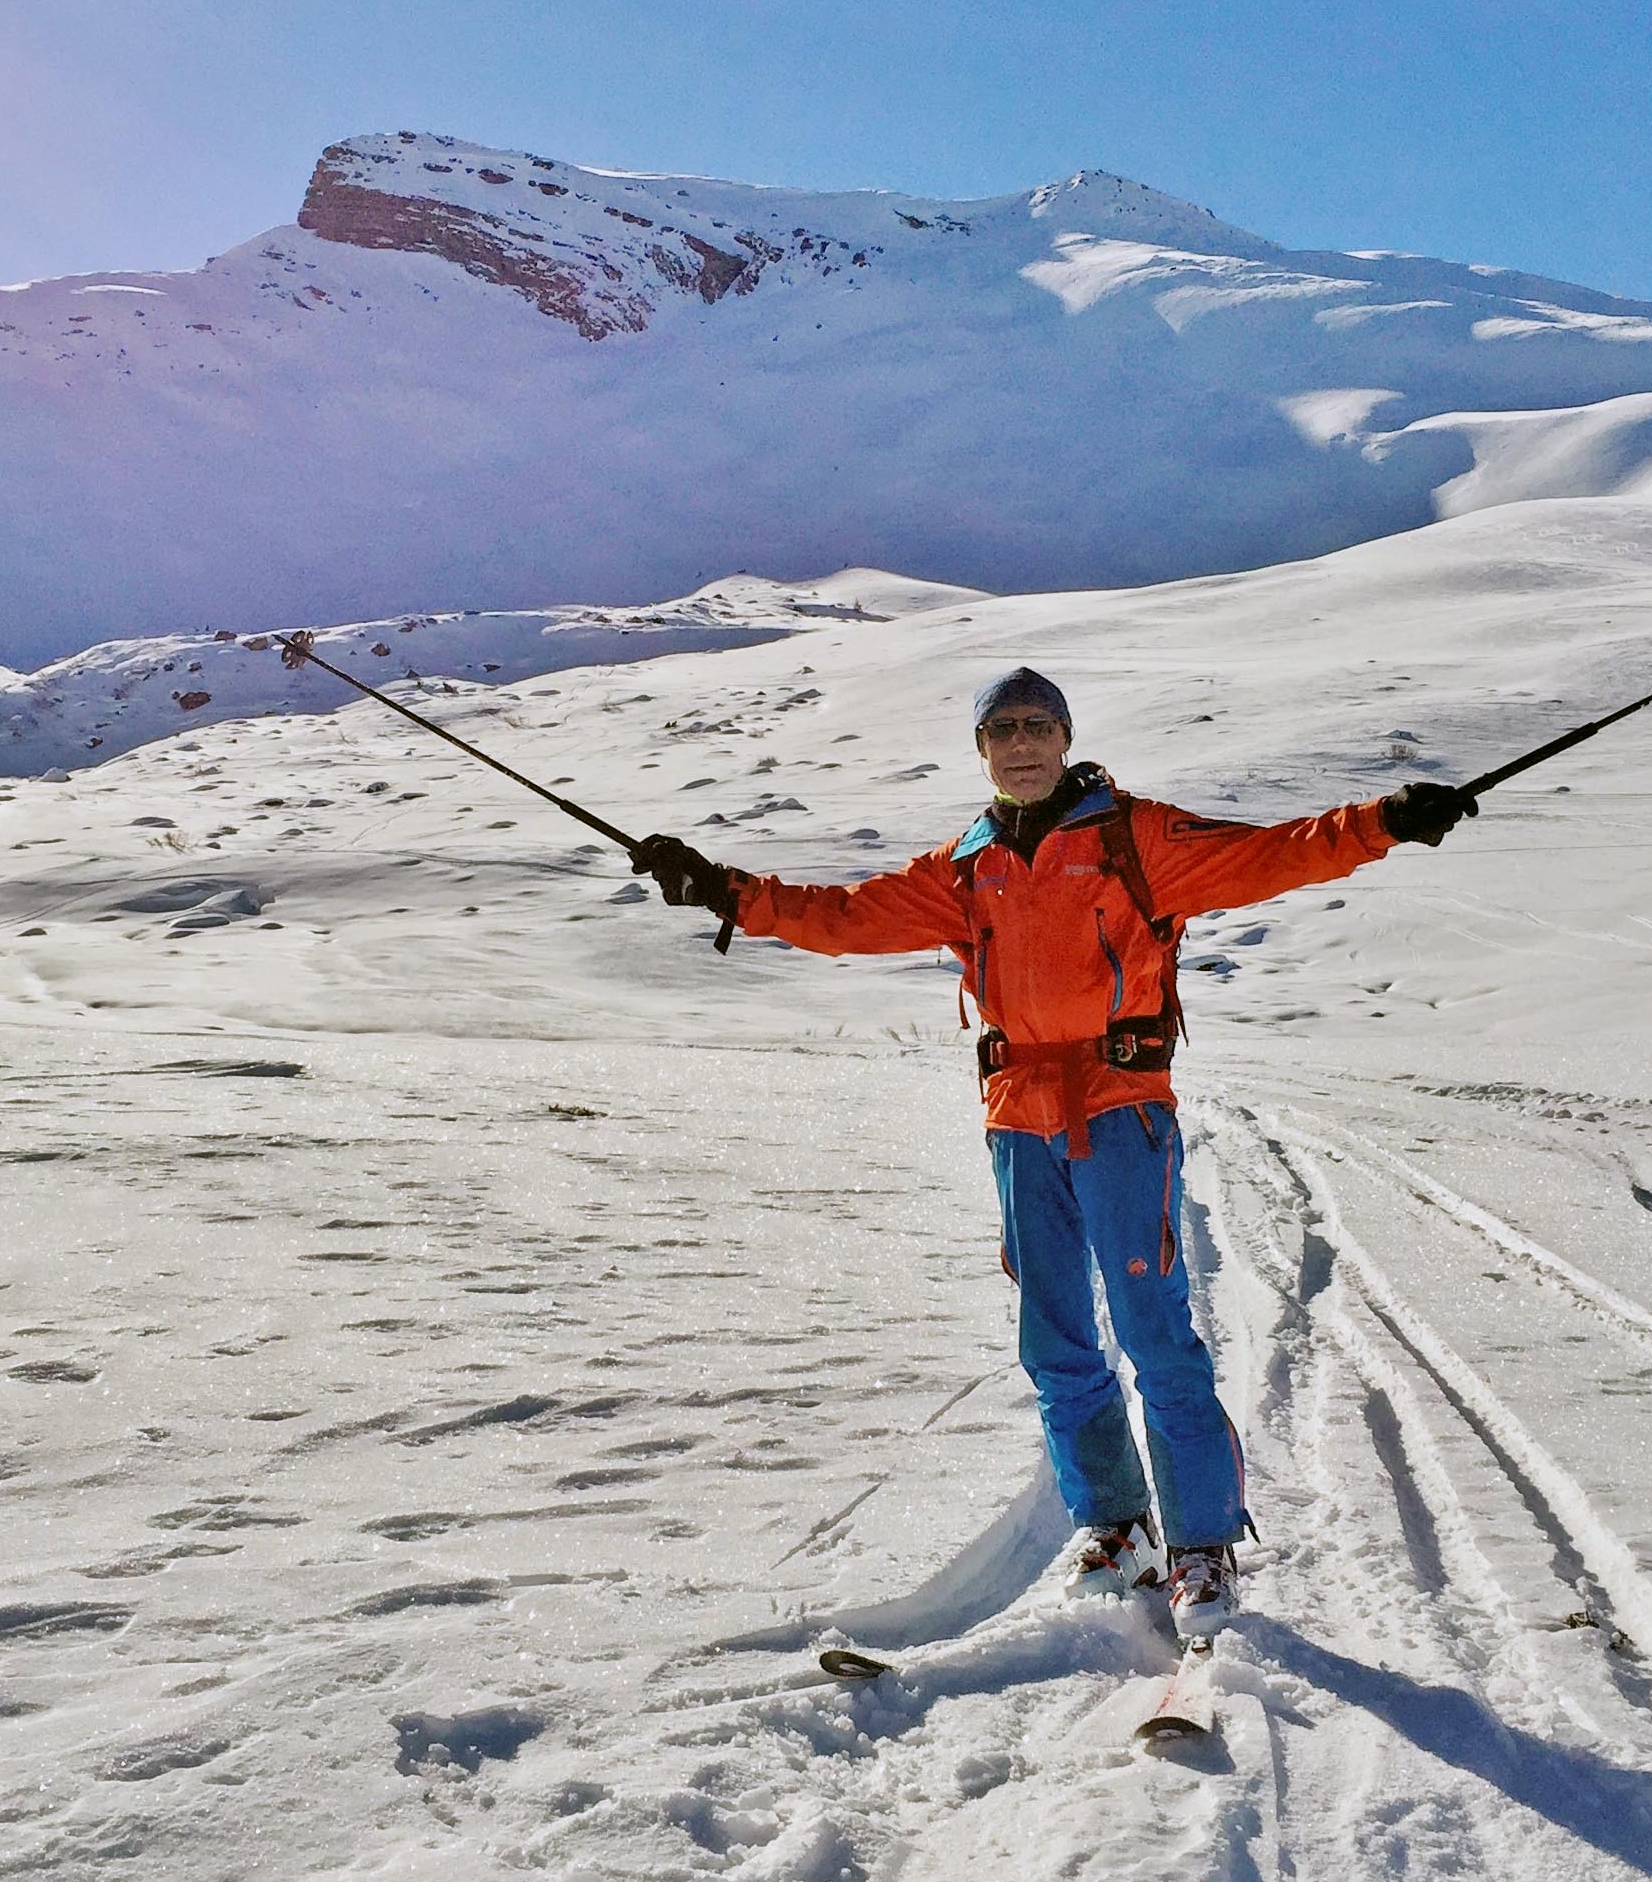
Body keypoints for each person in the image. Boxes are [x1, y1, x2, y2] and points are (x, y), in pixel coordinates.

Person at [631, 667, 1473, 1641]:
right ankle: (1117, 1528)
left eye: (1038, 724)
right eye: (1003, 728)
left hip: (1121, 1110)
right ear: (982, 748)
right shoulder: (965, 867)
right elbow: (845, 917)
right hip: (1018, 1120)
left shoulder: (1137, 839)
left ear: (1065, 738)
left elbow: (1271, 855)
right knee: (1056, 1338)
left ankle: (1202, 1543)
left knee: (1154, 1332)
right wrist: (725, 890)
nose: (1022, 742)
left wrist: (1384, 821)